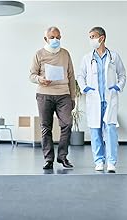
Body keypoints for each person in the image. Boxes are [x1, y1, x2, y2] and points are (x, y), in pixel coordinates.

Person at [77, 27, 126, 173]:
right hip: (94, 100)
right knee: (95, 131)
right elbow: (80, 76)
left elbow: (122, 75)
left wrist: (118, 86)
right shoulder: (87, 58)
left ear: (102, 38)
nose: (91, 39)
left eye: (93, 36)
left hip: (109, 99)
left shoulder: (114, 57)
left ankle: (111, 162)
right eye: (90, 37)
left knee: (110, 131)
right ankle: (99, 161)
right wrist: (85, 88)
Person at [29, 26, 76, 170]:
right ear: (46, 39)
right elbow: (31, 75)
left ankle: (62, 157)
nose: (56, 40)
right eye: (52, 37)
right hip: (44, 95)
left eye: (58, 37)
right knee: (45, 128)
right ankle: (48, 159)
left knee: (67, 124)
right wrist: (40, 79)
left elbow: (71, 76)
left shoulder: (65, 54)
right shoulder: (39, 54)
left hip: (63, 95)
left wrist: (72, 97)